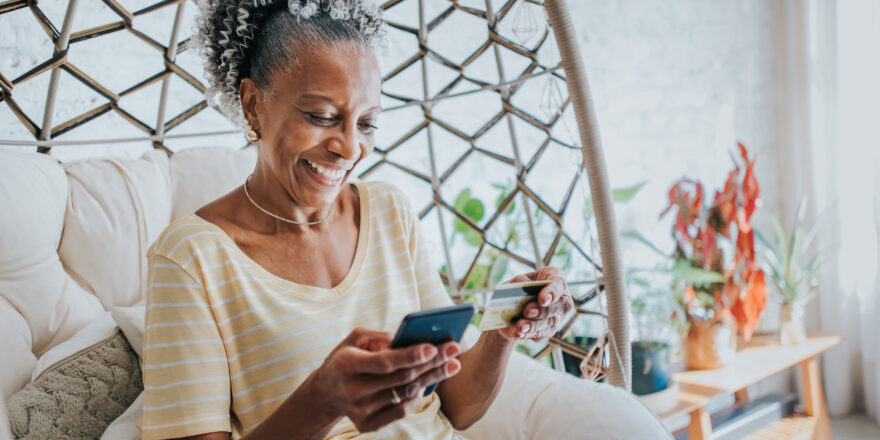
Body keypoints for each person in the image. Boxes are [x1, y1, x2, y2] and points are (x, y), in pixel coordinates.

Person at [141, 1, 574, 439]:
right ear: (253, 104)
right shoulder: (191, 259)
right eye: (322, 117)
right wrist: (322, 401)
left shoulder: (388, 212)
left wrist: (506, 325)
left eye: (366, 124)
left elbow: (458, 406)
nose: (349, 149)